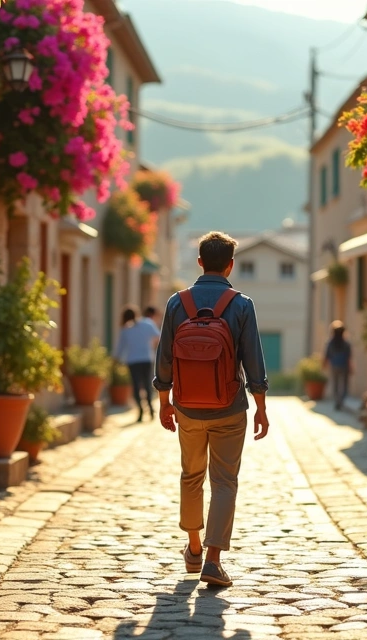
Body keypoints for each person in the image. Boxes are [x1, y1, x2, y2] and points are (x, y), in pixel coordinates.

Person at [154, 231, 269, 588]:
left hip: (187, 408)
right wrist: (261, 408)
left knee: (191, 476)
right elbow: (254, 361)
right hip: (230, 408)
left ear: (200, 262)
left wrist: (164, 402)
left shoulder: (177, 303)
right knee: (224, 481)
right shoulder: (242, 304)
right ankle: (213, 559)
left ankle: (192, 548)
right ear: (230, 264)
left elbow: (165, 358)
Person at [113, 305, 160, 422]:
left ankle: (140, 410)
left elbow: (120, 348)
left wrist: (115, 360)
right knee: (147, 385)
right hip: (146, 359)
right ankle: (150, 408)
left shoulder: (125, 330)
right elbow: (158, 337)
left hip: (133, 361)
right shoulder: (147, 324)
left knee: (136, 386)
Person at [323, 320, 353, 411]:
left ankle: (337, 400)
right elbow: (349, 357)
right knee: (344, 385)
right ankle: (341, 400)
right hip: (344, 366)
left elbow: (327, 355)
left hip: (334, 366)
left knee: (335, 385)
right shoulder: (346, 344)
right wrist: (351, 367)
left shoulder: (330, 343)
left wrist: (324, 364)